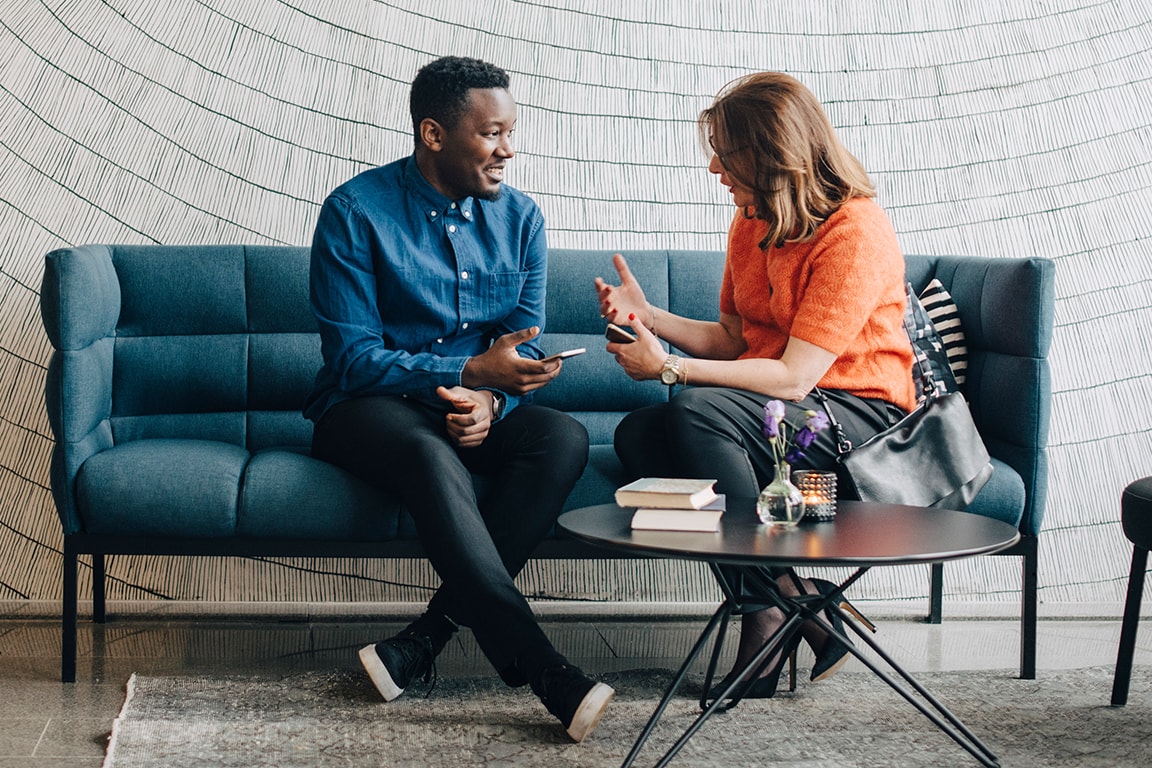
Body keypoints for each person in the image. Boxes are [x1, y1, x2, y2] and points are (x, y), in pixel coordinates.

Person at [305, 56, 613, 742]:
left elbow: (525, 345)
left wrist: (493, 402)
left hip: (470, 402)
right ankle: (544, 671)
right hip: (365, 409)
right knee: (425, 451)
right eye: (492, 133)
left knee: (560, 438)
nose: (509, 149)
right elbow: (353, 362)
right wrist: (471, 372)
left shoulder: (523, 218)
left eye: (511, 132)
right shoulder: (354, 213)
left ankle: (425, 637)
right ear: (434, 134)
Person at [594, 71, 917, 698]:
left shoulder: (854, 231)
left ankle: (764, 612)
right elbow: (736, 341)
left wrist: (668, 367)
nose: (715, 166)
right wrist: (649, 316)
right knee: (642, 435)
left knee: (693, 411)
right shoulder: (754, 219)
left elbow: (795, 377)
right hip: (782, 406)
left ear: (774, 154)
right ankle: (793, 596)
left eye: (728, 151)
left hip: (859, 416)